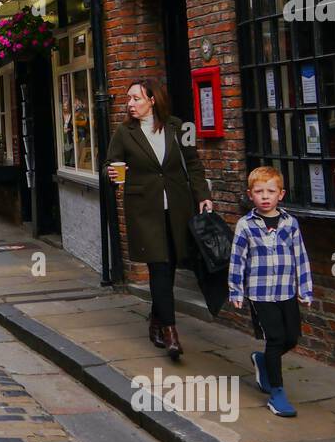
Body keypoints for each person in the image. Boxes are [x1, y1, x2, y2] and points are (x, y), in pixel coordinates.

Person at [106, 78, 213, 360]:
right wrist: (113, 173)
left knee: (172, 264)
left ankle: (155, 318)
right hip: (144, 210)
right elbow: (110, 163)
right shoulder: (124, 133)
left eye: (136, 98)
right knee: (160, 267)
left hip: (178, 208)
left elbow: (193, 163)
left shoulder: (176, 127)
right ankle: (170, 331)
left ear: (153, 100)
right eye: (128, 99)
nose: (130, 104)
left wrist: (202, 194)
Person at [229, 166, 313, 418]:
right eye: (259, 191)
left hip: (286, 290)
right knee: (275, 340)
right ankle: (277, 393)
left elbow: (300, 256)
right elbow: (237, 259)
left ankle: (263, 361)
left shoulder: (290, 223)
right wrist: (236, 291)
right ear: (250, 195)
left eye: (270, 191)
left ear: (281, 194)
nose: (265, 196)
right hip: (260, 293)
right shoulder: (245, 225)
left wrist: (305, 289)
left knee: (291, 339)